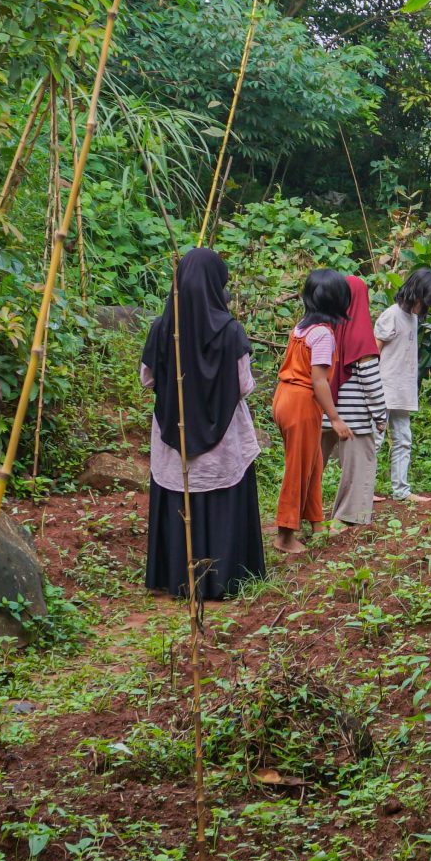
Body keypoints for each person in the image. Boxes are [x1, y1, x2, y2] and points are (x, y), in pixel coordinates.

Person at [140, 247, 270, 600]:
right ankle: (224, 578)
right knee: (223, 493)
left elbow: (147, 379)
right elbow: (244, 385)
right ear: (216, 284)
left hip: (173, 433)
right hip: (224, 436)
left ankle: (176, 578)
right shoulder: (230, 331)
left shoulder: (161, 328)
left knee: (179, 492)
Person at [271, 269, 353, 555]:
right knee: (299, 468)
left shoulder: (302, 328)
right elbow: (319, 381)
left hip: (284, 396)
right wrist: (335, 418)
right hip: (300, 403)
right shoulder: (323, 335)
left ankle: (317, 524)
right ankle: (284, 535)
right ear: (338, 300)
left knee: (314, 462)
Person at [374, 268, 431, 502]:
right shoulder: (391, 315)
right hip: (384, 387)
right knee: (375, 440)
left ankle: (401, 491)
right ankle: (363, 491)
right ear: (415, 293)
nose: (424, 307)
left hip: (403, 390)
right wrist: (371, 387)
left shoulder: (413, 318)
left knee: (403, 439)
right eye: (424, 301)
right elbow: (374, 353)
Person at [326, 272, 386, 529]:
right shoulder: (361, 333)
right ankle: (347, 518)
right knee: (359, 467)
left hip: (326, 413)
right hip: (355, 418)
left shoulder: (326, 329)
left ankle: (307, 515)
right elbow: (371, 382)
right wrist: (380, 415)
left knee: (313, 467)